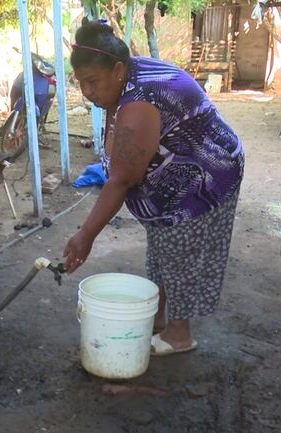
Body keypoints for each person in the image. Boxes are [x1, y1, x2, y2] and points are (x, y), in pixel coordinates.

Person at [63, 22, 244, 356]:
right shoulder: (125, 79)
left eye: (92, 82)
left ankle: (179, 335)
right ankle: (157, 317)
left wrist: (85, 235)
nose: (86, 91)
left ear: (117, 70)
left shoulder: (139, 101)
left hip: (206, 173)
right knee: (162, 247)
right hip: (174, 173)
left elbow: (122, 178)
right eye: (81, 83)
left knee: (180, 251)